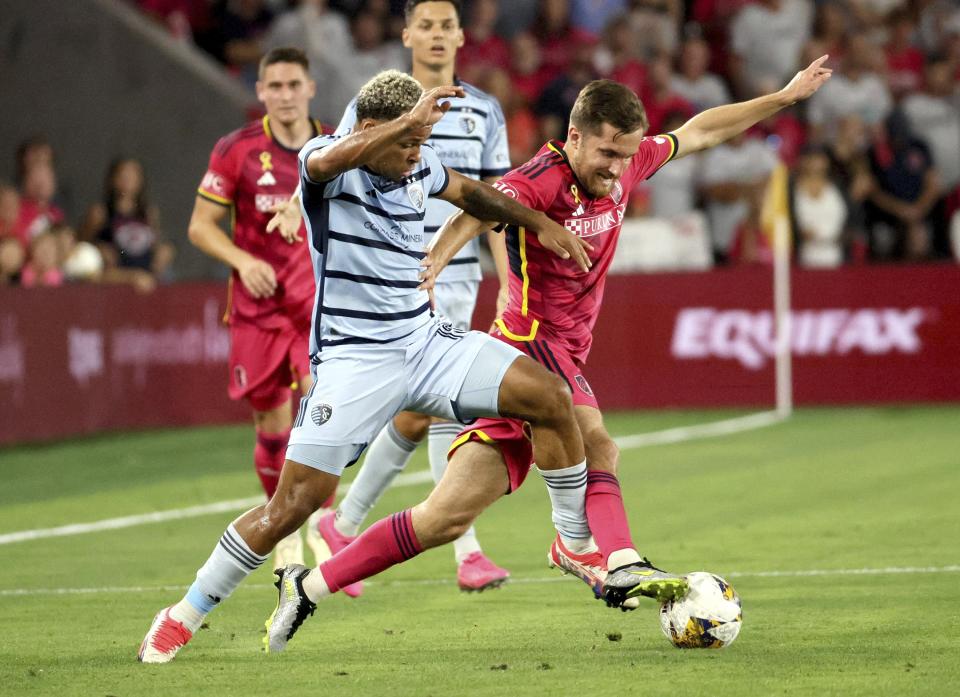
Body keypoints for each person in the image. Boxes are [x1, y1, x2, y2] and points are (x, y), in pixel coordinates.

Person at [139, 71, 662, 663]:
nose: (416, 155)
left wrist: (539, 223)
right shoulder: (326, 166)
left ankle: (573, 542)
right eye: (407, 142)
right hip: (355, 360)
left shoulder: (417, 163)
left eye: (421, 143)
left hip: (426, 340)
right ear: (371, 129)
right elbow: (330, 158)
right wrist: (401, 127)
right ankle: (183, 616)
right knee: (293, 506)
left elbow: (473, 194)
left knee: (548, 394)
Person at [416, 58, 832, 604]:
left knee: (446, 514)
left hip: (564, 348)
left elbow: (701, 130)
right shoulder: (541, 179)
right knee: (600, 444)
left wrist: (781, 98)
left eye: (627, 154)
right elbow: (475, 209)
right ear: (574, 136)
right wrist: (434, 263)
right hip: (526, 342)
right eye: (608, 152)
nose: (618, 168)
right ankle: (618, 558)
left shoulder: (626, 166)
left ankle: (321, 569)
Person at [302, 0, 515, 596]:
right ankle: (459, 548)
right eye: (426, 25)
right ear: (406, 35)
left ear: (461, 36)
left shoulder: (484, 111)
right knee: (442, 405)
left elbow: (489, 203)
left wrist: (508, 286)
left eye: (447, 25)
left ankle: (343, 525)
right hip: (394, 272)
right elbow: (332, 176)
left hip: (458, 271)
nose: (437, 34)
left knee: (434, 408)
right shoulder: (374, 105)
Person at [185, 47, 325, 571]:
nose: (285, 95)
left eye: (294, 84)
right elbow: (199, 226)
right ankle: (282, 529)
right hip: (257, 308)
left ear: (310, 87)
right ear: (261, 91)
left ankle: (313, 520)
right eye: (275, 86)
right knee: (271, 423)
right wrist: (243, 261)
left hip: (316, 306)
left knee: (321, 411)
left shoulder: (331, 143)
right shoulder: (236, 150)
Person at [80, 157, 176, 293]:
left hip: (145, 275)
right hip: (115, 277)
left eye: (133, 174)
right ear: (112, 179)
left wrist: (164, 251)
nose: (127, 178)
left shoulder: (148, 212)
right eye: (123, 174)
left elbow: (156, 243)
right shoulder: (100, 212)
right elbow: (82, 246)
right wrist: (98, 249)